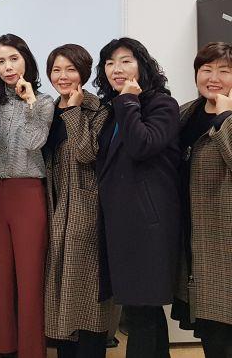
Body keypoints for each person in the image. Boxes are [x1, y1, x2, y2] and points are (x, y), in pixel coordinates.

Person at [94, 37, 180, 358]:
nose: (117, 69)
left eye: (125, 61)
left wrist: (130, 101)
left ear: (142, 66)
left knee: (142, 307)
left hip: (148, 222)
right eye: (110, 63)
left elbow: (143, 145)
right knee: (141, 308)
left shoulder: (161, 105)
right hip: (122, 221)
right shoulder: (112, 109)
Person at [0, 34, 53, 358]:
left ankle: (32, 351)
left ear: (26, 60)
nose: (8, 67)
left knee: (30, 277)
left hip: (29, 194)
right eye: (1, 61)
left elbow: (35, 142)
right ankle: (4, 349)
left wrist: (30, 101)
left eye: (14, 59)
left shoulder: (44, 102)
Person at [43, 44, 113, 358]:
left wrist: (73, 111)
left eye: (71, 69)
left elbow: (87, 153)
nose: (63, 76)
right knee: (61, 291)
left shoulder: (98, 109)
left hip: (86, 208)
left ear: (83, 72)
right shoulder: (47, 110)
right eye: (56, 70)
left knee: (86, 290)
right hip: (55, 205)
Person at [171, 42, 232, 358]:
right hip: (193, 237)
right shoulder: (185, 113)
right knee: (211, 329)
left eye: (224, 71)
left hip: (224, 238)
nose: (214, 78)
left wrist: (225, 118)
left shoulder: (228, 117)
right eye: (206, 69)